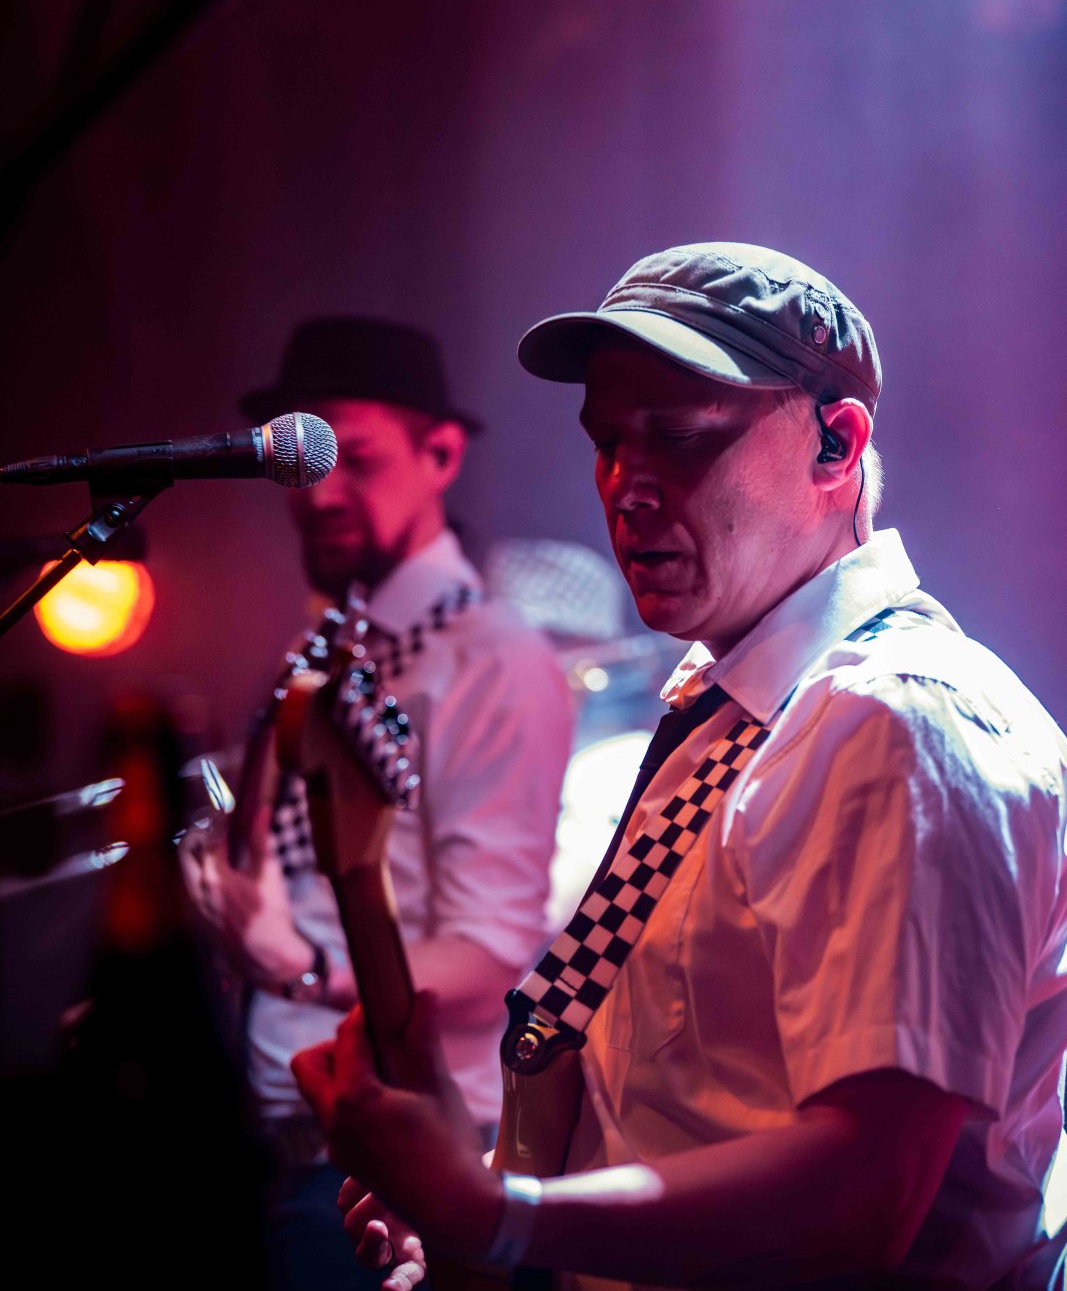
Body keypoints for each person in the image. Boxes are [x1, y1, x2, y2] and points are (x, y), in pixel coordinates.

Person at [293, 247, 1067, 1291]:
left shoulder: (895, 719)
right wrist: (485, 1198)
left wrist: (497, 1214)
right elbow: (686, 1110)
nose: (626, 486)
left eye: (682, 437)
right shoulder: (731, 706)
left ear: (835, 444)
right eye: (606, 442)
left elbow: (864, 1195)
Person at [183, 315, 573, 1291]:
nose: (319, 493)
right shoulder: (329, 649)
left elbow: (491, 949)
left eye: (354, 459)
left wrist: (296, 964)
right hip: (290, 1147)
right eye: (303, 465)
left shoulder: (490, 657)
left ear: (440, 455)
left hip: (389, 1171)